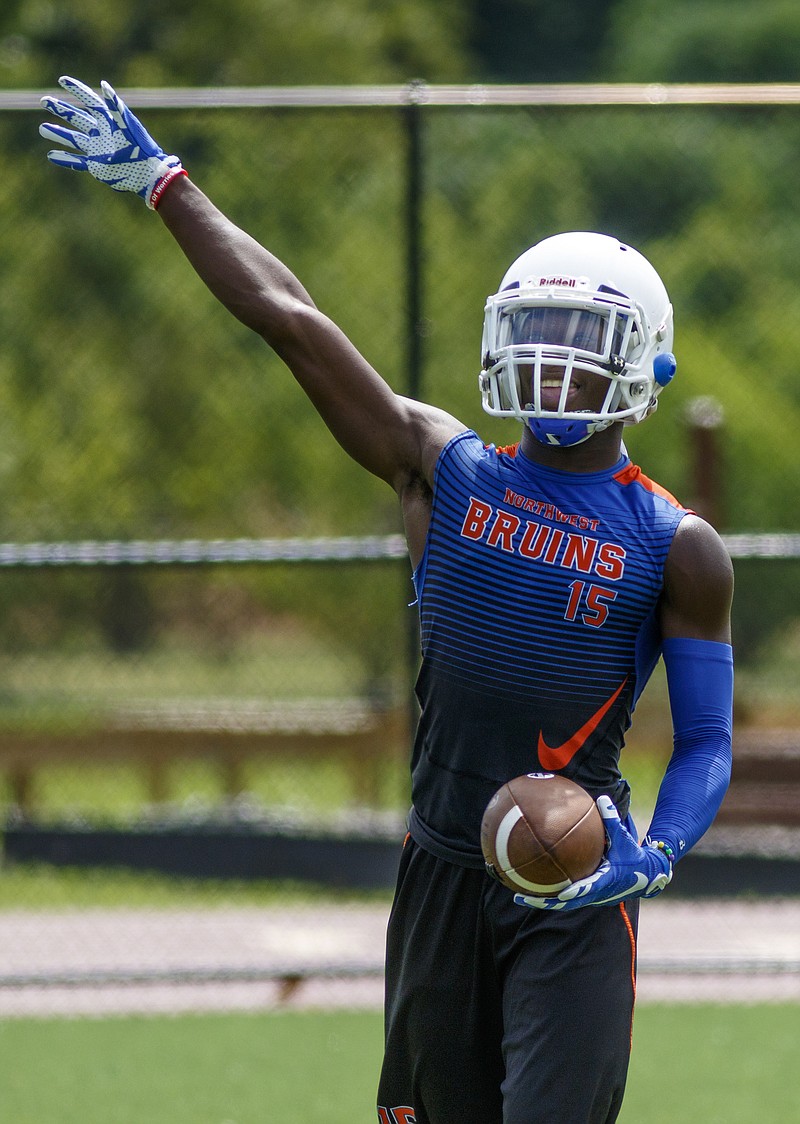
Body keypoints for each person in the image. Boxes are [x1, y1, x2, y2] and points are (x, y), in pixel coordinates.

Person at [40, 77, 734, 1124]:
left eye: (578, 336)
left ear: (643, 361)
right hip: (440, 871)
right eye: (534, 328)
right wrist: (163, 183)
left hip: (573, 887)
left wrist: (657, 849)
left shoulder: (675, 544)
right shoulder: (442, 468)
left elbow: (708, 742)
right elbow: (291, 317)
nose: (550, 359)